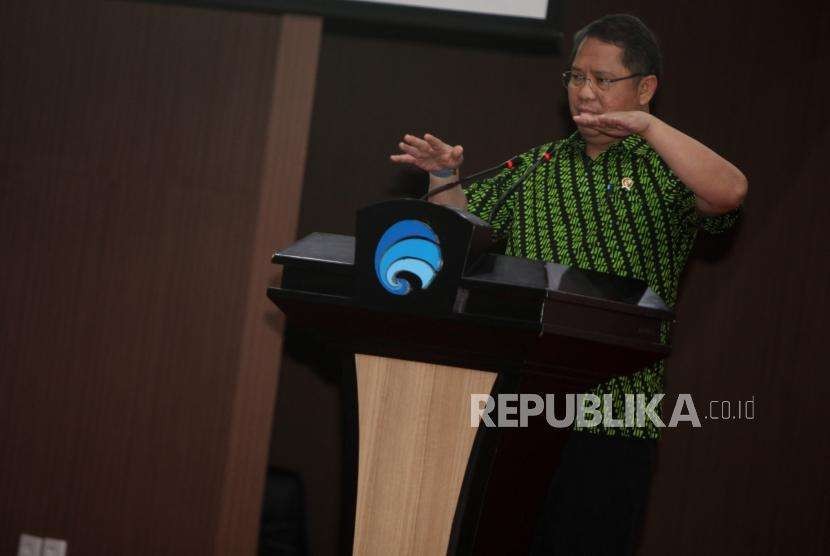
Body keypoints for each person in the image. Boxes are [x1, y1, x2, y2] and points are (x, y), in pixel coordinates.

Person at [390, 13, 747, 556]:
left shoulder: (666, 168)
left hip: (617, 413)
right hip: (520, 407)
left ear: (645, 87)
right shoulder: (541, 164)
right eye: (576, 77)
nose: (585, 92)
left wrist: (649, 127)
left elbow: (730, 193)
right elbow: (461, 230)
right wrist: (443, 180)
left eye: (603, 80)